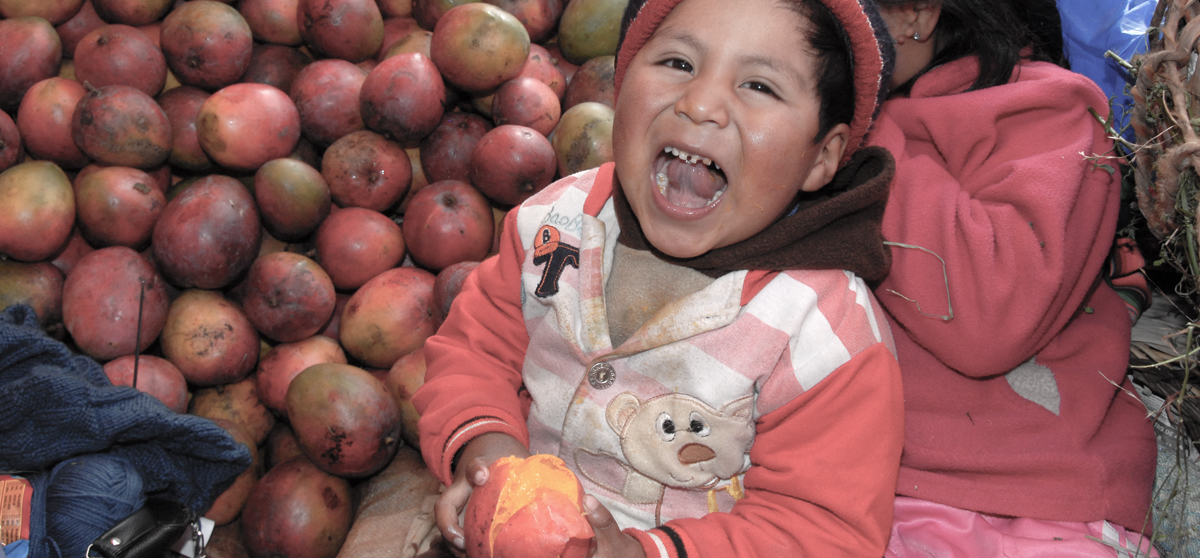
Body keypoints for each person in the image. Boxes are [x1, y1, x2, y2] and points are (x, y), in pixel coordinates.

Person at [413, 0, 907, 555]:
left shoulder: (826, 334)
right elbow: (473, 348)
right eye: (677, 63)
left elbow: (817, 529)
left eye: (759, 86)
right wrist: (485, 449)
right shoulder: (554, 222)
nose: (700, 104)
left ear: (822, 158)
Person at [865, 1, 1160, 556]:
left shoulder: (1046, 108)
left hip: (1034, 503)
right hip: (859, 492)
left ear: (915, 16)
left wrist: (863, 127)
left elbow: (988, 315)